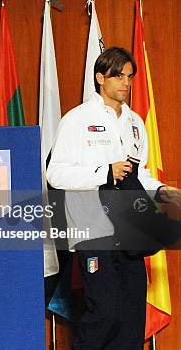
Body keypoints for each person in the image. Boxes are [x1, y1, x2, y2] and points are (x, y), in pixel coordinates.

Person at [47, 47, 181, 349]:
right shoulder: (77, 119)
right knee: (104, 313)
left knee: (130, 318)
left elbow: (138, 175)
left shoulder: (134, 123)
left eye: (129, 77)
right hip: (94, 231)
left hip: (131, 230)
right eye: (118, 75)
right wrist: (104, 172)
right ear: (100, 77)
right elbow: (56, 174)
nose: (125, 83)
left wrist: (162, 190)